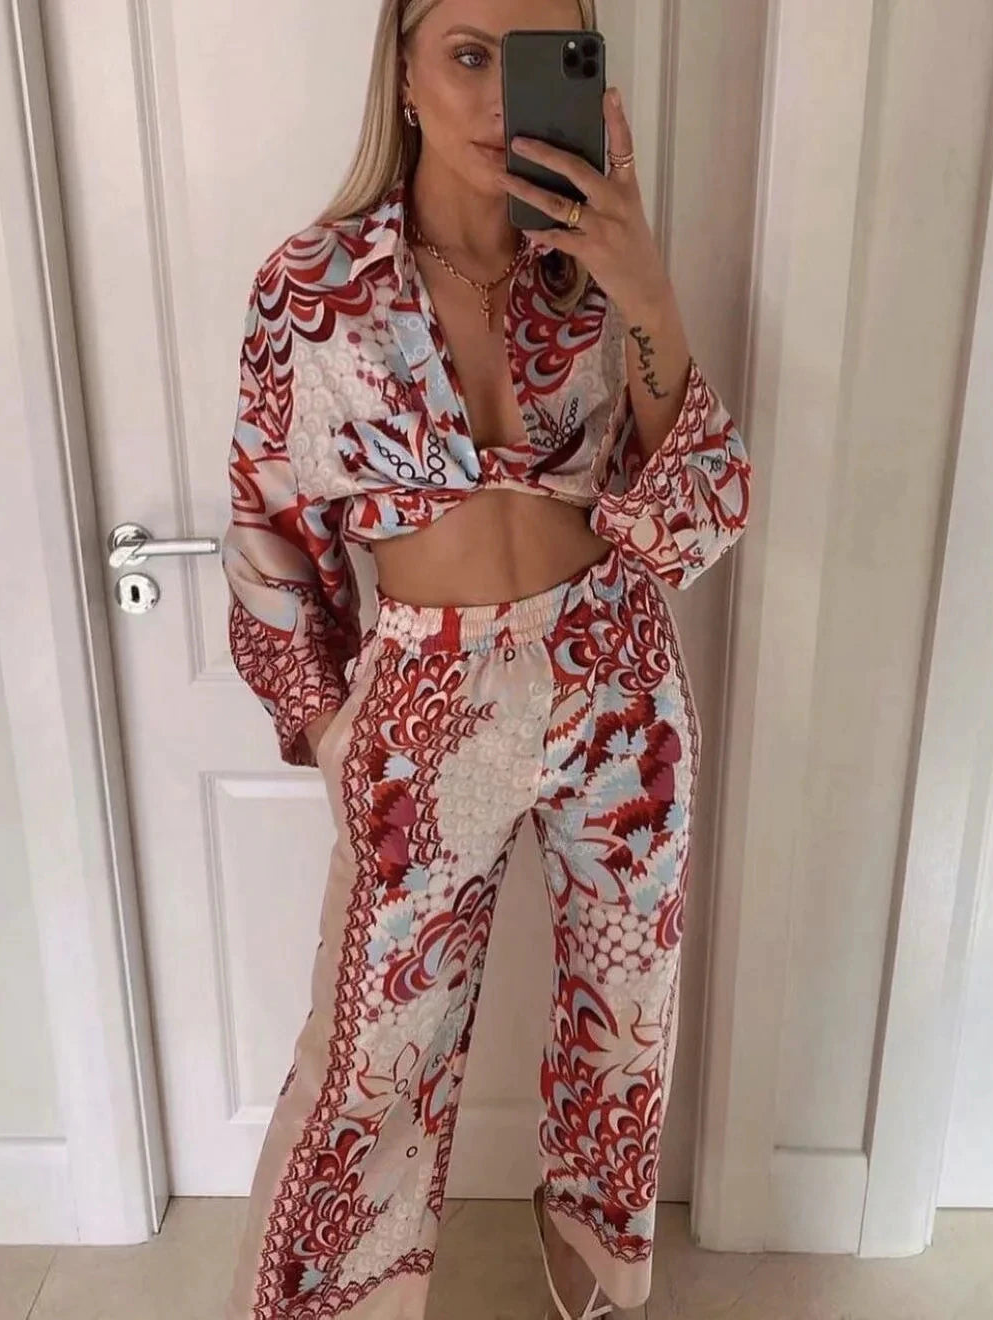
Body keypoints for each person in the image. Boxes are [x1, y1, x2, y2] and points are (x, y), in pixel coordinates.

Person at [220, 1, 751, 1316]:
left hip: (617, 680)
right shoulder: (313, 288)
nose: (502, 97)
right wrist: (331, 727)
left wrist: (645, 285)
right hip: (428, 697)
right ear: (401, 72)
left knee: (622, 1037)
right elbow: (268, 530)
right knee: (372, 1057)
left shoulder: (594, 269)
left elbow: (700, 519)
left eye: (534, 59)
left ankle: (599, 1294)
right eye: (468, 55)